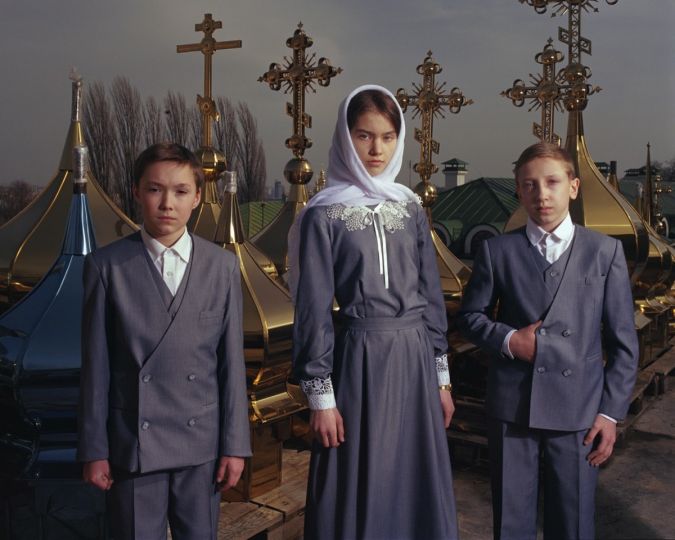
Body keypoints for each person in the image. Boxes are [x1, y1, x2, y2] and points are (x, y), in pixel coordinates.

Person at [290, 84, 458, 540]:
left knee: (412, 476)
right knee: (359, 475)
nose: (377, 148)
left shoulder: (409, 206)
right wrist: (321, 398)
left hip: (414, 359)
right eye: (364, 136)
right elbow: (312, 310)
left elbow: (430, 296)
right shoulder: (322, 215)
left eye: (387, 136)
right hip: (358, 361)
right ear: (346, 137)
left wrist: (441, 378)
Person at [457, 142, 639, 540]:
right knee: (511, 521)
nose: (542, 194)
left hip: (580, 411)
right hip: (513, 407)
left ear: (573, 187)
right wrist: (508, 341)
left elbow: (624, 343)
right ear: (519, 192)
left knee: (572, 521)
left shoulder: (604, 252)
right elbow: (469, 318)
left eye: (552, 182)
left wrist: (610, 413)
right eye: (530, 185)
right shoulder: (496, 250)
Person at [77, 143, 251, 540]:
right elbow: (95, 369)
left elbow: (231, 366)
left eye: (180, 191)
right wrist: (93, 450)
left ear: (197, 196)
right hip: (133, 446)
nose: (167, 203)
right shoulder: (106, 268)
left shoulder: (222, 266)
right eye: (155, 189)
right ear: (136, 193)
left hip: (202, 446)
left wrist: (236, 445)